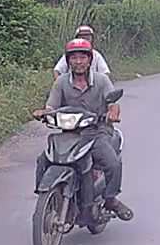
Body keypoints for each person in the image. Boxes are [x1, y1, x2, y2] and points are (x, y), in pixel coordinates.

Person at [34, 38, 133, 221]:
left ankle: (110, 199)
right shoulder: (61, 82)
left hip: (97, 132)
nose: (78, 61)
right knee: (43, 160)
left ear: (89, 60)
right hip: (70, 133)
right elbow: (51, 106)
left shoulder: (102, 80)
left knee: (112, 163)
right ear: (68, 61)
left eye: (82, 57)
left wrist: (112, 113)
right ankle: (45, 196)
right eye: (74, 58)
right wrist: (43, 113)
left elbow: (113, 103)